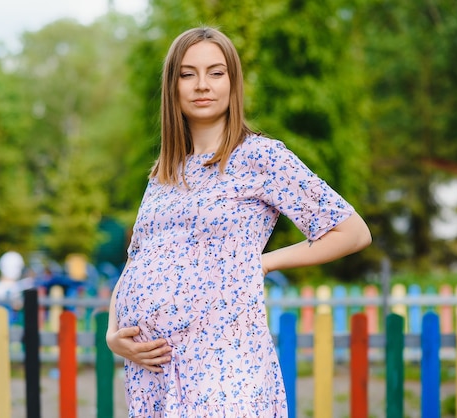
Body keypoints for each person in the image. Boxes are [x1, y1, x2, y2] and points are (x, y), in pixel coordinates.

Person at [106, 26, 372, 417]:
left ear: (233, 83)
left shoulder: (261, 157)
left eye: (216, 72)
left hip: (224, 364)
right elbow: (136, 262)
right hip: (156, 372)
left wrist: (263, 262)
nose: (202, 85)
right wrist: (114, 336)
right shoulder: (163, 174)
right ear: (172, 87)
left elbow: (351, 231)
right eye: (187, 73)